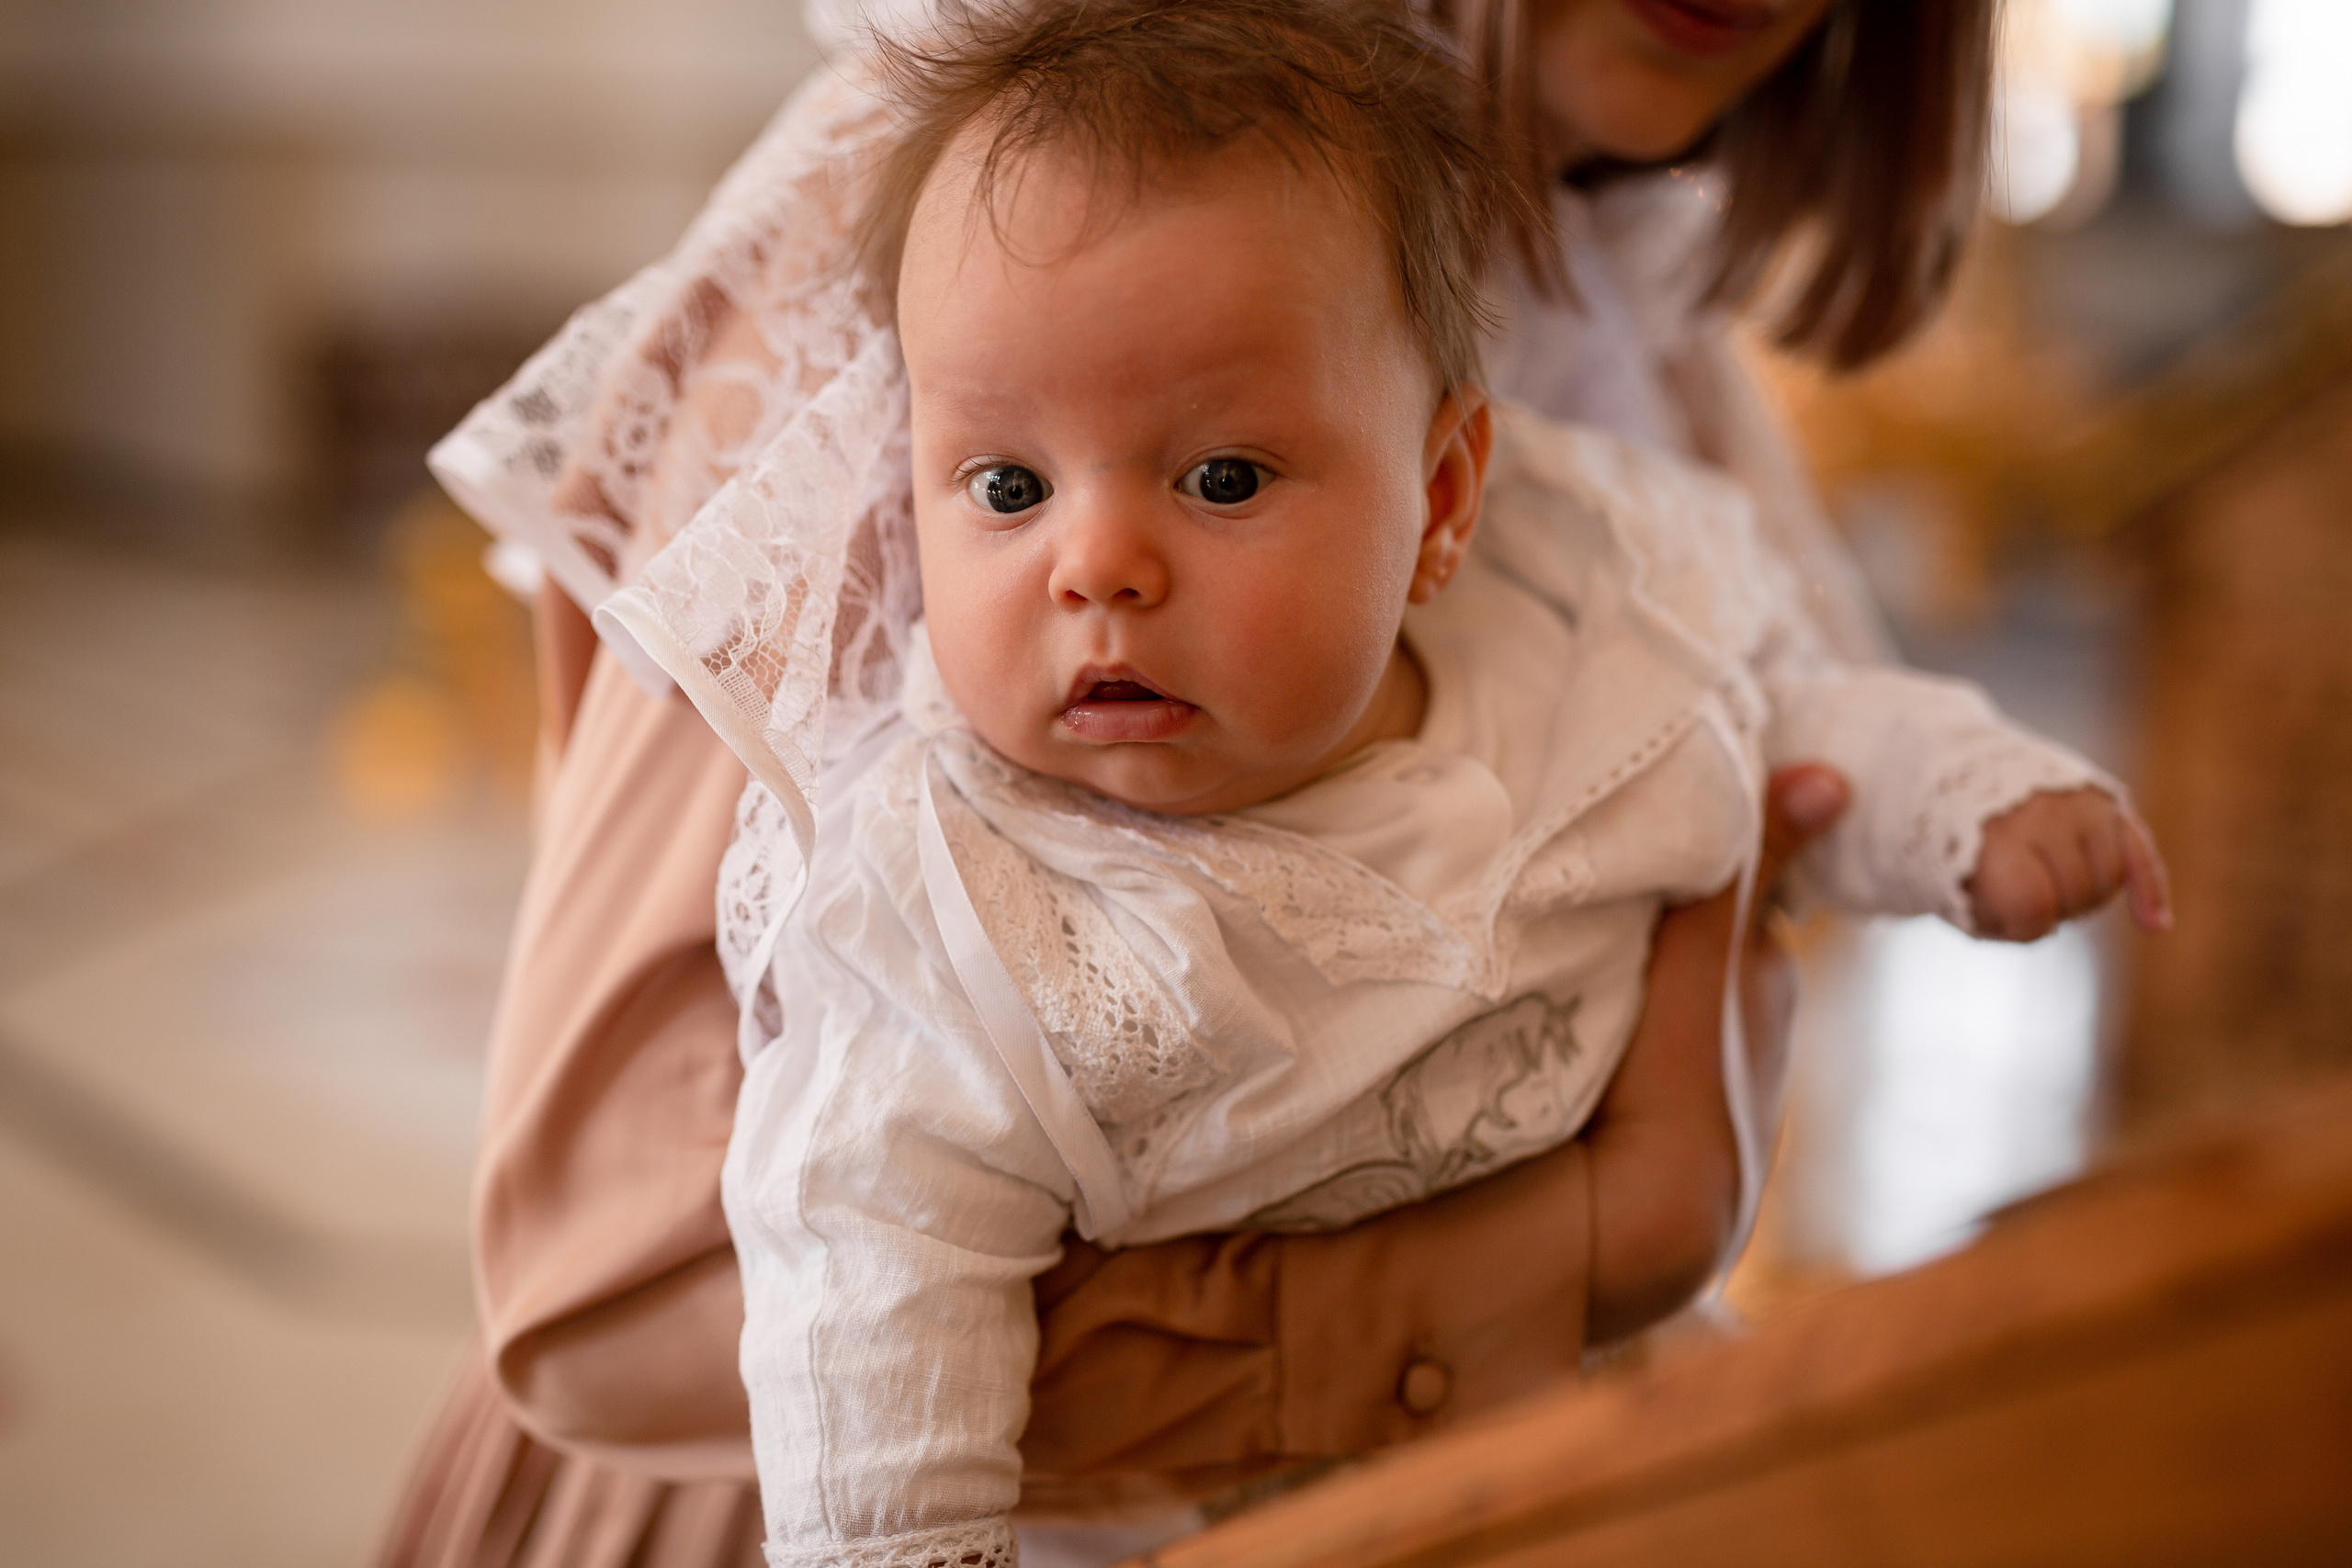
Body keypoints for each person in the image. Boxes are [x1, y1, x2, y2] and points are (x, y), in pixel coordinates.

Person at [376, 0, 2046, 1563]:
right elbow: (615, 1297)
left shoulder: (1638, 333)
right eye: (1015, 491)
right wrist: (1594, 1249)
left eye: (1227, 477)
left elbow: (1793, 729)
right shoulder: (1005, 203)